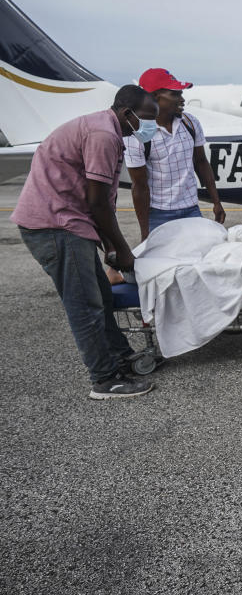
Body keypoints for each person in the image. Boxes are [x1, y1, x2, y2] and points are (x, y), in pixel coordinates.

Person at [12, 85, 159, 399]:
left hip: (68, 222)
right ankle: (105, 380)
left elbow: (100, 200)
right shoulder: (102, 135)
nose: (152, 126)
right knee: (85, 305)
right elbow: (98, 203)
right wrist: (120, 248)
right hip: (55, 225)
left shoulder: (107, 131)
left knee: (102, 296)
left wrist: (109, 245)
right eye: (148, 118)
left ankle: (120, 358)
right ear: (126, 113)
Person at [123, 68, 225, 242]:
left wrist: (216, 202)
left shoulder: (190, 123)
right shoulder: (137, 135)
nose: (182, 99)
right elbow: (139, 187)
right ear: (155, 97)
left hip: (192, 210)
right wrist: (145, 232)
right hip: (158, 215)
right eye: (175, 94)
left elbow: (201, 162)